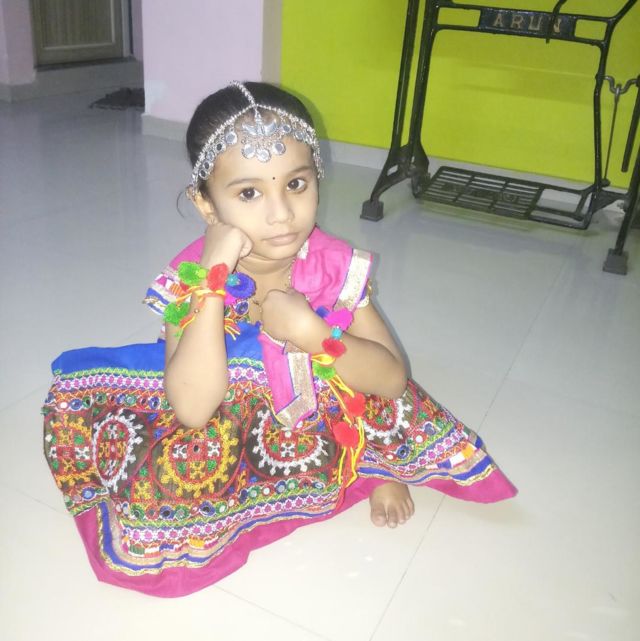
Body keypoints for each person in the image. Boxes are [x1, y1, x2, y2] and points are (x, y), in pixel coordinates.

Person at [43, 81, 516, 597]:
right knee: (160, 480)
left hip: (331, 406)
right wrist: (213, 282)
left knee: (384, 399)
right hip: (229, 409)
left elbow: (391, 379)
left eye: (296, 184)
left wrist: (313, 333)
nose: (281, 214)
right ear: (206, 205)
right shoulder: (189, 278)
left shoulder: (333, 265)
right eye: (249, 193)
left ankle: (376, 465)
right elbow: (194, 409)